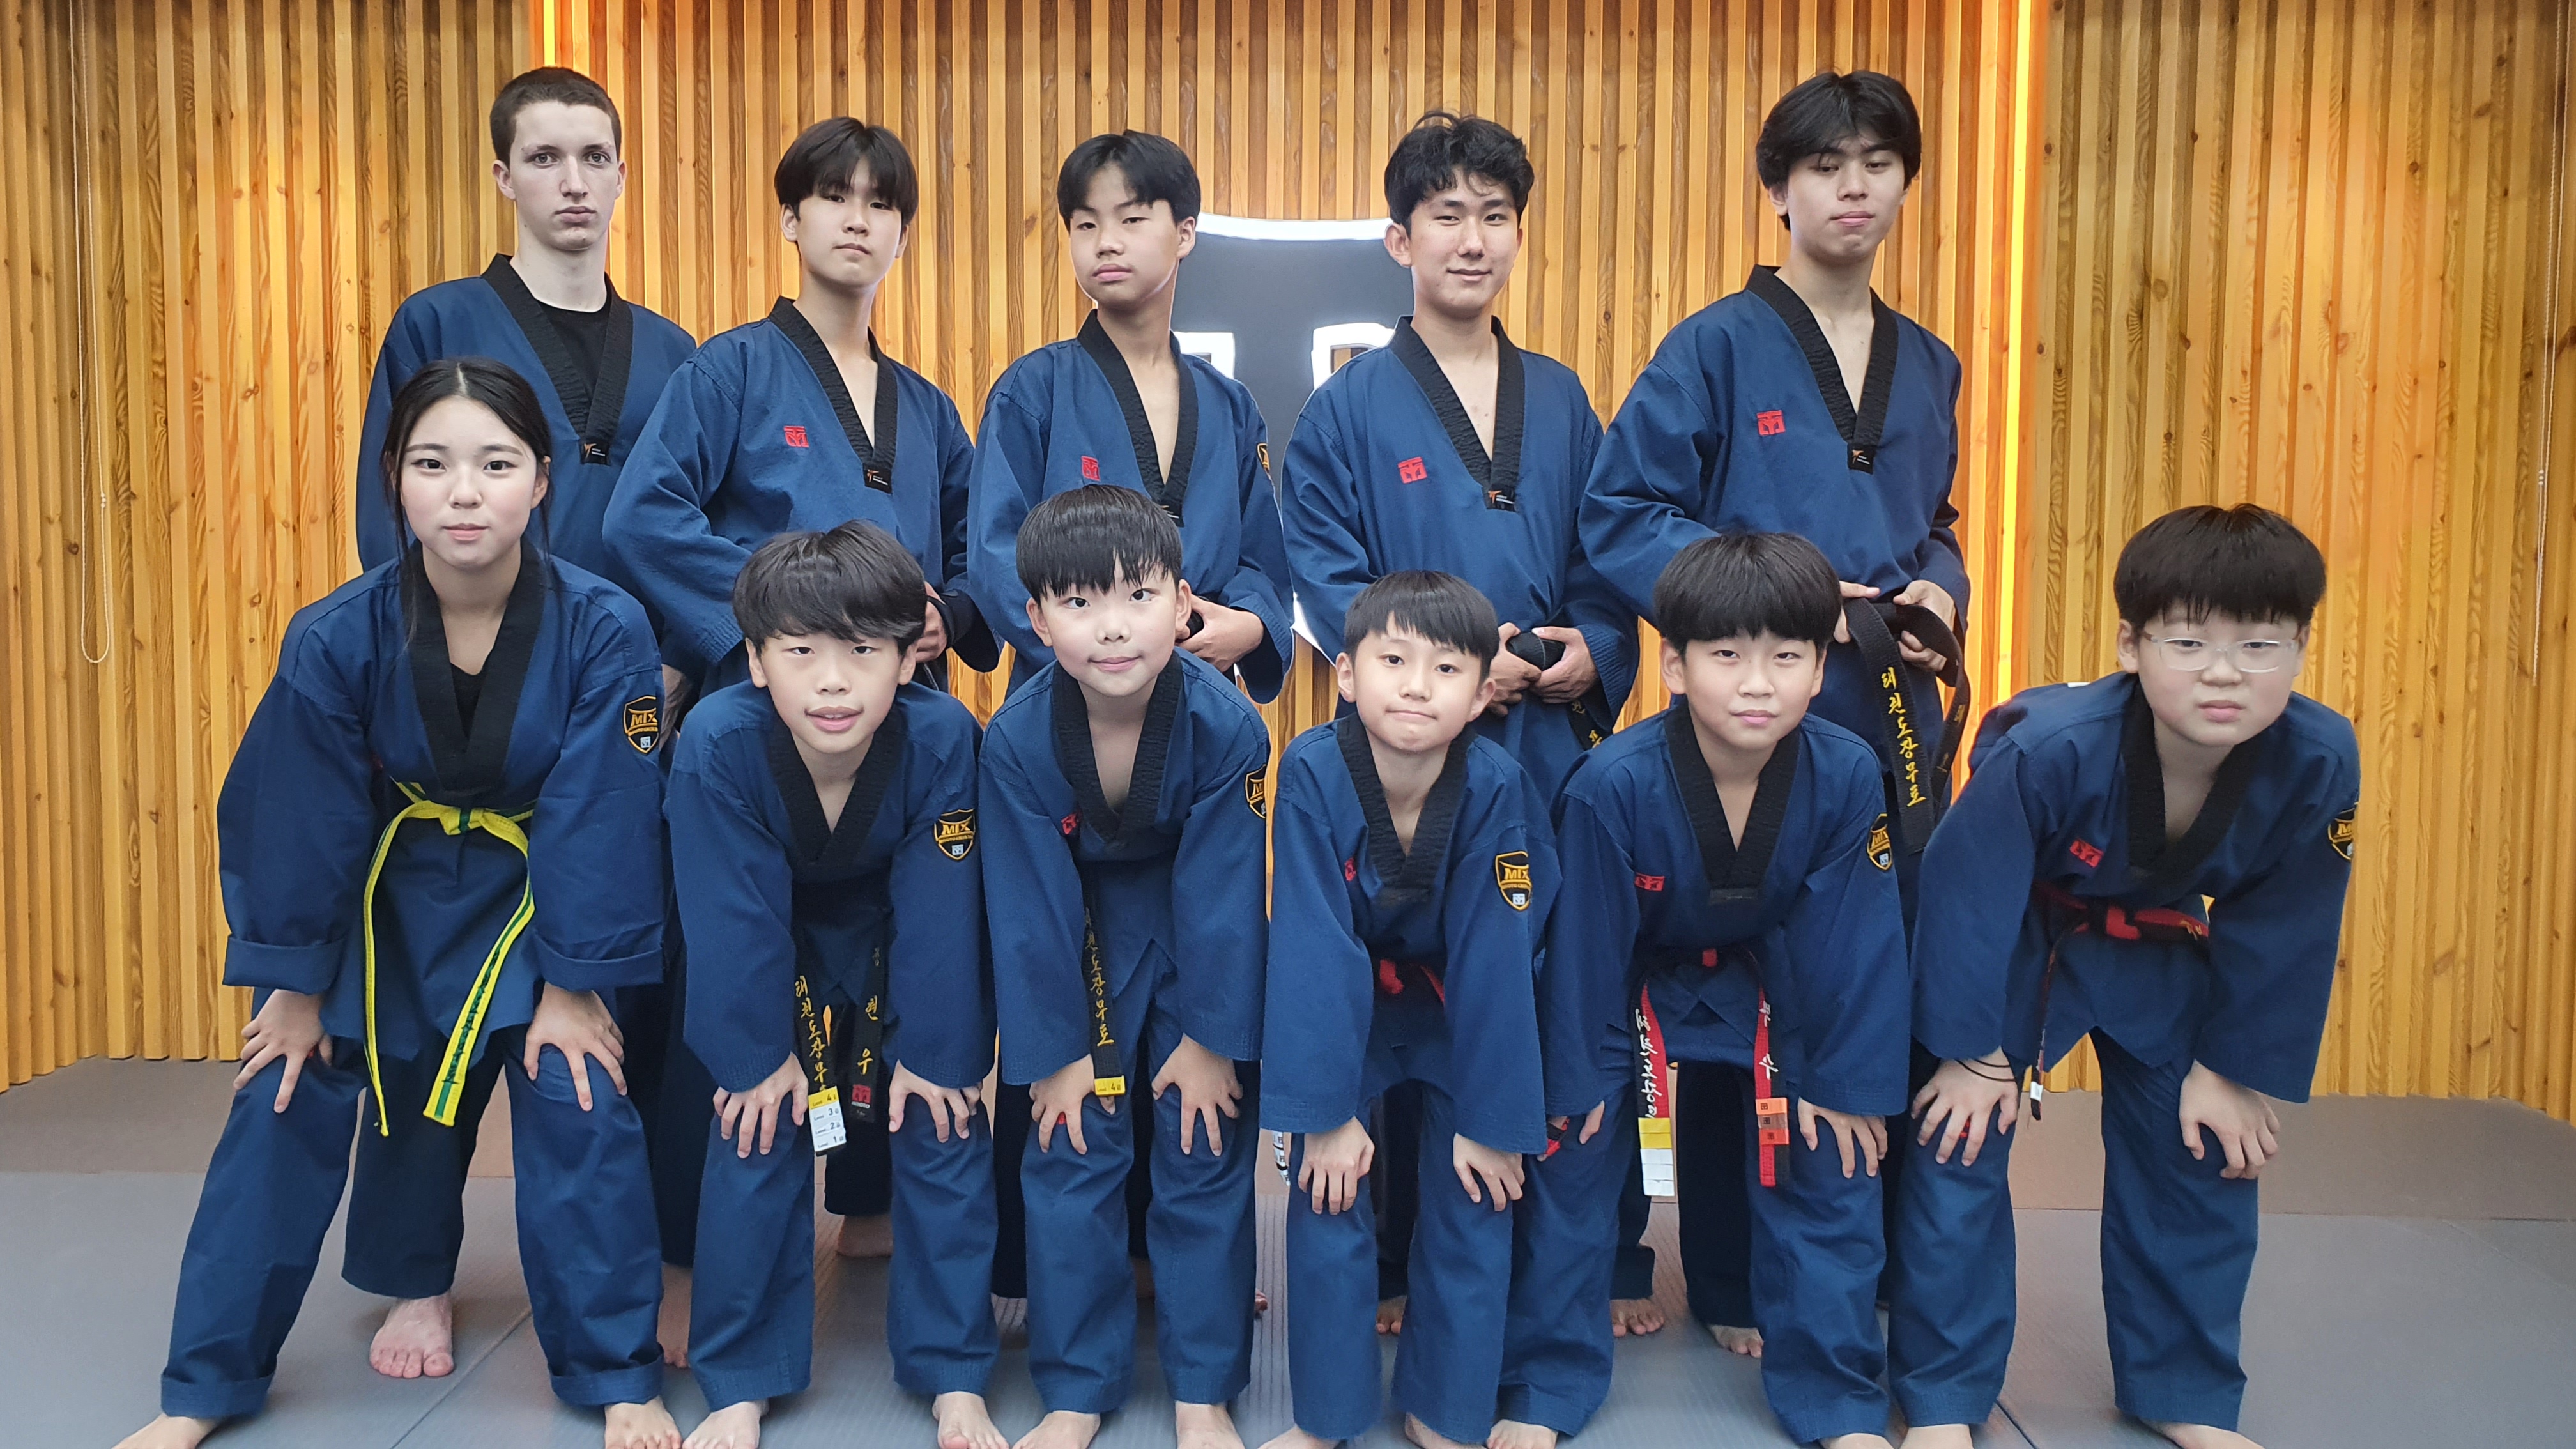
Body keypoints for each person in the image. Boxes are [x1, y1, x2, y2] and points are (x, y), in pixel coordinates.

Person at [117, 358, 679, 1449]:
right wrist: (295, 989)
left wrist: (575, 987)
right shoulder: (337, 632)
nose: (464, 492)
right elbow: (299, 812)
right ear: (394, 479)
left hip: (536, 901)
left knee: (580, 1096)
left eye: (495, 464)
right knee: (285, 1093)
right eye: (433, 464)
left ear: (543, 480)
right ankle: (201, 1388)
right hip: (388, 895)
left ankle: (618, 1370)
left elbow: (604, 810)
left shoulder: (607, 625)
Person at [1577, 68, 1969, 1348]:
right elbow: (1622, 515)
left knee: (1865, 983)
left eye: (1878, 163)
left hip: (1886, 719)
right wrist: (1776, 600)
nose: (1853, 187)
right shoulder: (1714, 347)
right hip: (1744, 714)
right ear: (1778, 190)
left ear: (1905, 182)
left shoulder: (1931, 363)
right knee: (1720, 983)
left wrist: (1945, 588)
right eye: (1824, 164)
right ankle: (1727, 1276)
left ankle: (1864, 1261)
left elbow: (1937, 523)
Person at [341, 66, 696, 1383]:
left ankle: (645, 1260)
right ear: (502, 177)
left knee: (622, 1002)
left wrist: (677, 670)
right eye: (542, 157)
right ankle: (415, 1276)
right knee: (431, 1009)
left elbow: (694, 525)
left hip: (626, 716)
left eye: (593, 156)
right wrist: (433, 684)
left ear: (622, 174)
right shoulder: (438, 323)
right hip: (465, 728)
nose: (571, 181)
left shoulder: (673, 352)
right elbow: (398, 517)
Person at [1890, 505, 2361, 1449]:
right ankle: (1941, 1399)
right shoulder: (2050, 744)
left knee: (2205, 1145)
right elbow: (1967, 891)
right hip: (2024, 935)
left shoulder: (2318, 757)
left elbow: (2289, 917)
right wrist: (1972, 1054)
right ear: (2131, 645)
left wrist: (2230, 1070)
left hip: (2159, 943)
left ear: (2303, 649)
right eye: (2188, 642)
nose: (2224, 672)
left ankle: (2183, 1389)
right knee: (1956, 1137)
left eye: (2260, 645)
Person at [664, 523, 1000, 1449]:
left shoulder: (944, 736)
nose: (833, 682)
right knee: (757, 1117)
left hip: (898, 929)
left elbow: (942, 909)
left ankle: (954, 1371)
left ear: (909, 657)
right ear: (756, 662)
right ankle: (740, 1379)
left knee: (943, 1115)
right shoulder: (716, 740)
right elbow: (727, 914)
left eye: (862, 651)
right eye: (800, 652)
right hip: (771, 935)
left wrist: (937, 1054)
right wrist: (756, 1057)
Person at [978, 485, 1270, 1449]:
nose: (1112, 628)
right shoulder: (1017, 739)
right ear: (1036, 620)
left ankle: (1202, 1391)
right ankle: (1076, 1388)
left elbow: (1228, 895)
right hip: (1078, 937)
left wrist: (1212, 1041)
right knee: (1070, 1150)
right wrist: (1056, 1052)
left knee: (1202, 1144)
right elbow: (1028, 910)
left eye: (1138, 596)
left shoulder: (1229, 726)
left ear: (1183, 604)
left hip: (1192, 937)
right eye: (1078, 602)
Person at [1255, 571, 1554, 1449]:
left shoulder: (1497, 785)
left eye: (1448, 669)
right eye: (1394, 661)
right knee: (1328, 1186)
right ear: (1347, 675)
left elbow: (1500, 955)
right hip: (1343, 1003)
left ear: (1483, 693)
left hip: (1462, 1003)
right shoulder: (1312, 770)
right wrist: (1326, 1115)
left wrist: (1493, 1120)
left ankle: (1445, 1408)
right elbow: (1312, 944)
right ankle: (1327, 1417)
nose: (1418, 687)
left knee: (1477, 1187)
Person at [1280, 111, 1634, 802]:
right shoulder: (1343, 408)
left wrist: (1597, 645)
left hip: (1546, 735)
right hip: (1405, 744)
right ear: (1401, 241)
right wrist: (1455, 667)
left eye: (1494, 217)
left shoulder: (1562, 397)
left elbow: (1603, 551)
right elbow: (1330, 581)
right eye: (1448, 216)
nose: (1474, 242)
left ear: (1518, 237)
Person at [605, 117, 995, 702]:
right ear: (791, 219)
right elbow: (642, 515)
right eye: (835, 197)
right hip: (767, 694)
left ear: (902, 237)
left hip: (905, 700)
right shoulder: (732, 370)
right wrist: (784, 608)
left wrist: (952, 613)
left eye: (880, 205)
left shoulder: (930, 409)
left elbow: (983, 543)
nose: (857, 220)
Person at [966, 130, 1295, 704]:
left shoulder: (1229, 405)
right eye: (1086, 225)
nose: (1106, 243)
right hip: (1065, 700)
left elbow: (1261, 559)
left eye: (1131, 219)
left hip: (1202, 698)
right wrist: (1101, 645)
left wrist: (1250, 624)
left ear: (1185, 232)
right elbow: (996, 555)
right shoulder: (1034, 391)